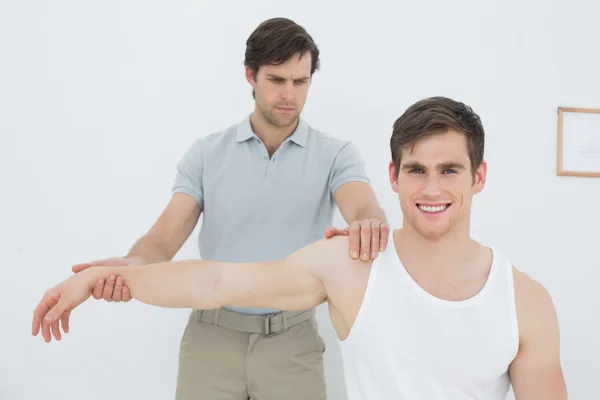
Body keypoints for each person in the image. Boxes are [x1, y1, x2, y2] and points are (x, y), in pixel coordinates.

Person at [33, 96, 568, 399]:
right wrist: (103, 279)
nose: (431, 189)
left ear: (479, 178)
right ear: (395, 176)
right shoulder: (351, 266)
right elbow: (218, 281)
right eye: (417, 171)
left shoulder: (526, 300)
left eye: (449, 170)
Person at [61, 17, 388, 400]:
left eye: (300, 82)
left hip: (293, 342)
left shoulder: (335, 155)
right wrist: (129, 268)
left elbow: (363, 206)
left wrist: (370, 224)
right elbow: (163, 239)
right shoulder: (206, 154)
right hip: (211, 340)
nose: (289, 94)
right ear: (251, 75)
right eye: (277, 80)